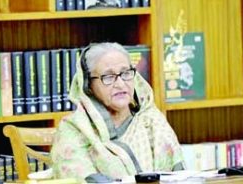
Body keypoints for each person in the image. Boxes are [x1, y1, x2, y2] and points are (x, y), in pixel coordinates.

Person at [52, 43, 182, 181]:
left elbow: (180, 176)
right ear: (88, 85)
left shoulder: (152, 120)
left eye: (126, 73)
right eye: (108, 77)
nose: (120, 84)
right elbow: (78, 178)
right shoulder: (74, 129)